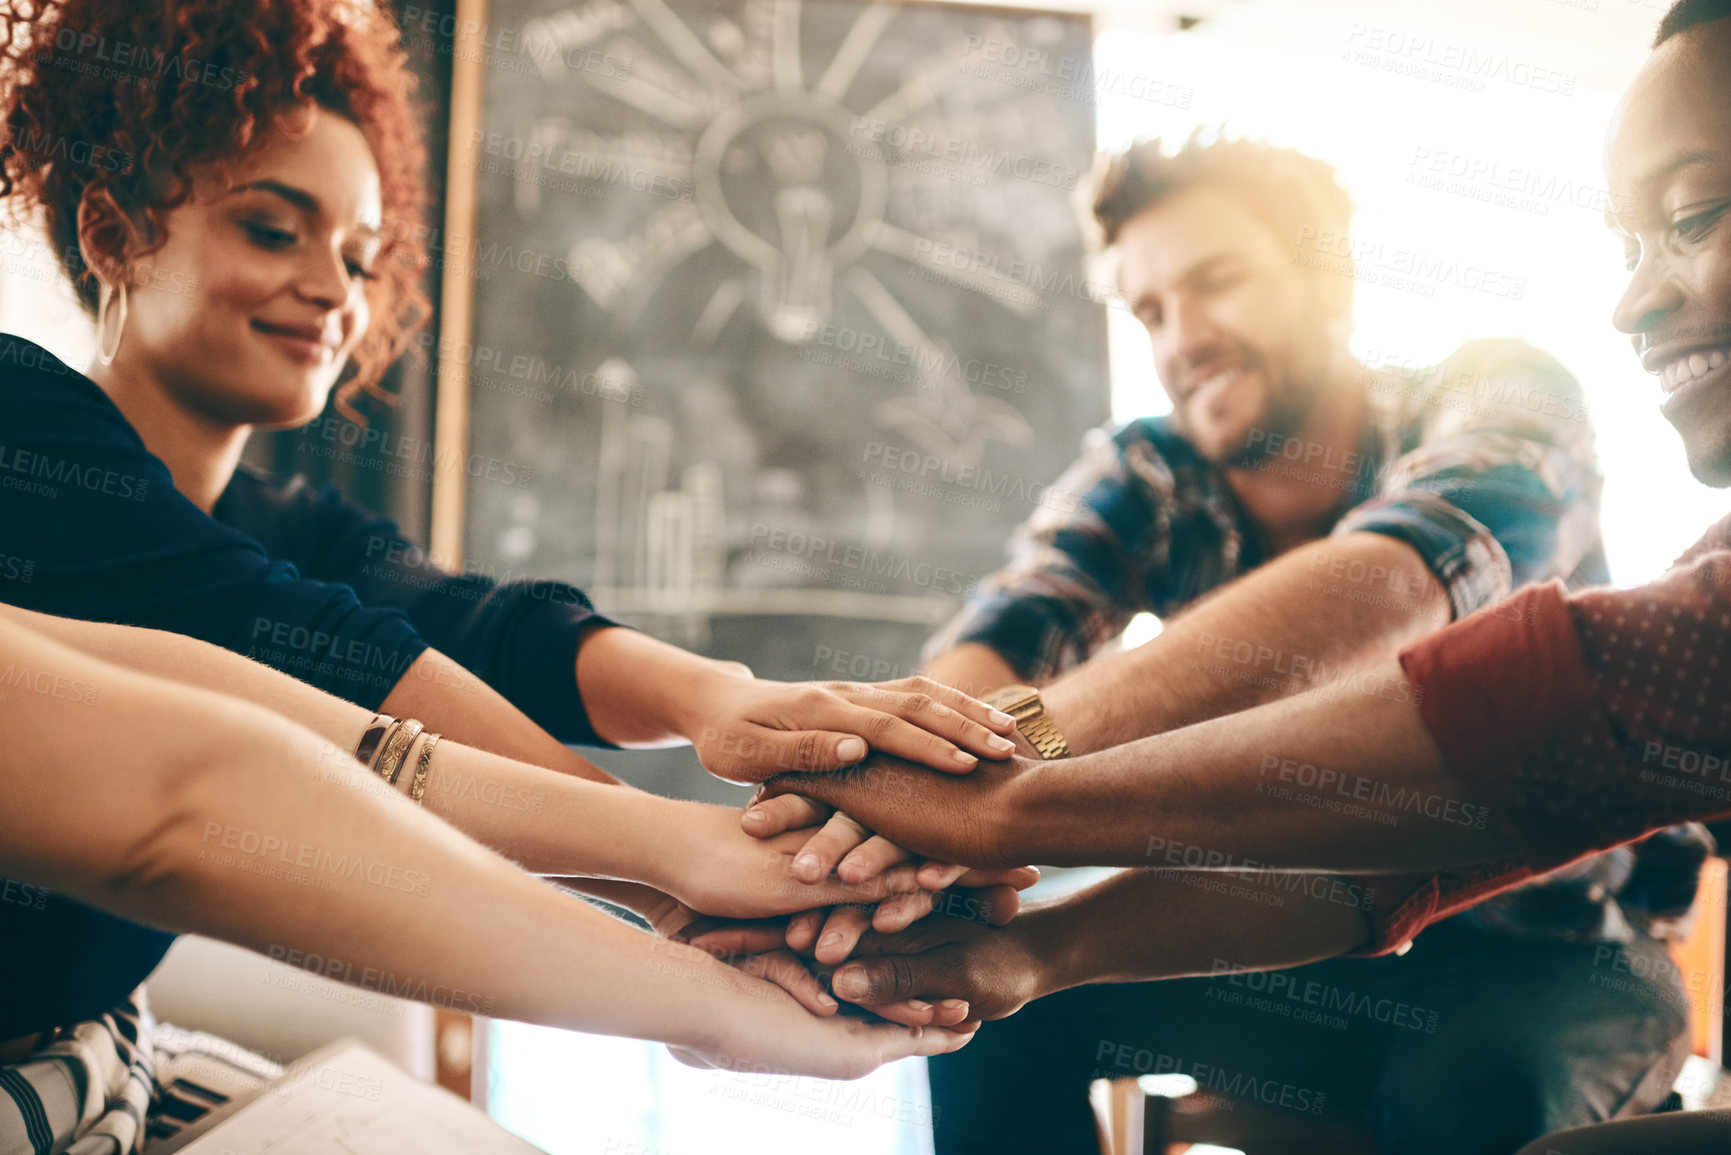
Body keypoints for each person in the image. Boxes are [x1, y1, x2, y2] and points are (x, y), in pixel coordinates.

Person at [734, 1, 1731, 1148]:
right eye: (1150, 309)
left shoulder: (1500, 389)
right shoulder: (1146, 472)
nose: (1183, 335)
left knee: (1470, 1098)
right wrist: (911, 794)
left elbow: (1404, 584)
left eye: (1217, 283)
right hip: (1290, 920)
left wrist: (991, 783)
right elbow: (1006, 638)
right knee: (983, 1007)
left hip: (1553, 952)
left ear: (1331, 279)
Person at [0, 0, 1027, 1030]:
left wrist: (720, 706)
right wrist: (687, 866)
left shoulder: (290, 522)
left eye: (359, 259)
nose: (330, 291)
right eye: (274, 230)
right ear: (112, 233)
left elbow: (489, 630)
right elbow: (328, 659)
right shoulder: (23, 425)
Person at [0, 608, 975, 1152]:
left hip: (110, 1064)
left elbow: (215, 697)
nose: (332, 295)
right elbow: (192, 792)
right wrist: (704, 977)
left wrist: (682, 862)